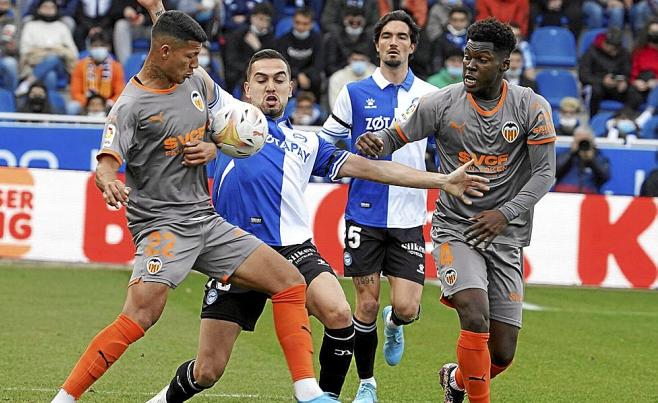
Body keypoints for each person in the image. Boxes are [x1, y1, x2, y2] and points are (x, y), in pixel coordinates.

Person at [146, 48, 488, 403]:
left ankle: (325, 396)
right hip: (235, 251)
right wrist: (158, 10)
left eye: (279, 79)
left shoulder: (307, 143)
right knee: (207, 371)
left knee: (339, 313)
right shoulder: (226, 125)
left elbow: (377, 168)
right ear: (246, 89)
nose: (271, 87)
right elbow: (192, 68)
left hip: (294, 250)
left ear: (292, 88)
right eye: (261, 80)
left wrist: (442, 180)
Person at [49, 9, 336, 403]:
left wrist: (214, 145)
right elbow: (107, 158)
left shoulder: (194, 78)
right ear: (164, 52)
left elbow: (225, 122)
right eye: (189, 57)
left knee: (288, 281)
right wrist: (105, 177)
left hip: (206, 220)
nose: (196, 65)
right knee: (140, 316)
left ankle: (307, 392)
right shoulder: (131, 106)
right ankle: (63, 399)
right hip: (163, 226)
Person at [355, 18, 556, 403]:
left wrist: (505, 212)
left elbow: (545, 173)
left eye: (480, 59)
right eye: (467, 56)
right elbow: (396, 135)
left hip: (505, 235)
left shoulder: (531, 106)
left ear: (504, 64)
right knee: (474, 313)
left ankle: (457, 380)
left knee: (502, 353)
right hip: (456, 229)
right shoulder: (443, 102)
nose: (469, 66)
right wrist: (375, 142)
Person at [320, 11, 439, 403]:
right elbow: (326, 144)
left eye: (401, 36)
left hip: (407, 216)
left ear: (412, 45)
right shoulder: (353, 93)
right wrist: (355, 149)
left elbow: (443, 148)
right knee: (366, 304)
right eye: (386, 35)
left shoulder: (429, 96)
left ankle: (397, 323)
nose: (393, 42)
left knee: (405, 308)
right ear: (376, 44)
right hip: (364, 213)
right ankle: (367, 384)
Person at [16, 0, 78, 96]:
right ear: (39, 9)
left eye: (51, 7)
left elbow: (73, 52)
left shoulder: (62, 27)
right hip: (34, 64)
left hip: (60, 66)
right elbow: (24, 50)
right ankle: (49, 104)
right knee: (50, 75)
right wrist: (54, 49)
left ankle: (27, 83)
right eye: (45, 6)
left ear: (56, 9)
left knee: (53, 58)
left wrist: (47, 51)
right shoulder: (30, 25)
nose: (48, 9)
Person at [67, 31, 125, 115]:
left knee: (122, 108)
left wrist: (108, 103)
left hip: (107, 104)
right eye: (95, 46)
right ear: (90, 48)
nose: (99, 48)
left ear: (108, 47)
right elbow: (75, 92)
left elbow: (120, 92)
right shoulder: (80, 65)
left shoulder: (116, 67)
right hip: (86, 103)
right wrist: (90, 103)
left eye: (102, 46)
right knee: (72, 107)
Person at [579, 27, 631, 117]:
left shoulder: (623, 52)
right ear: (604, 44)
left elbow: (627, 71)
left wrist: (624, 81)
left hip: (616, 86)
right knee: (595, 90)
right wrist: (602, 81)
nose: (615, 52)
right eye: (613, 49)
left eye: (617, 49)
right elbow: (583, 75)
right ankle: (592, 119)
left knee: (633, 91)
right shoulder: (591, 52)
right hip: (597, 85)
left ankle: (625, 120)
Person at [276, 7, 324, 100]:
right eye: (297, 23)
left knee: (316, 78)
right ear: (293, 22)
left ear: (311, 24)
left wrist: (303, 75)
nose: (301, 27)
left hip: (309, 76)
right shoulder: (283, 39)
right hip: (289, 74)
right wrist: (296, 75)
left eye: (305, 24)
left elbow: (319, 63)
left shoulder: (318, 39)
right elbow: (281, 63)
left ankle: (315, 107)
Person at [554, 126, 610, 193]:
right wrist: (571, 153)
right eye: (580, 141)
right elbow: (555, 170)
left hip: (589, 195)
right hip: (563, 193)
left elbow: (606, 176)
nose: (583, 144)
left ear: (592, 141)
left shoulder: (598, 156)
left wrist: (592, 159)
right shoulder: (565, 154)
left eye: (586, 141)